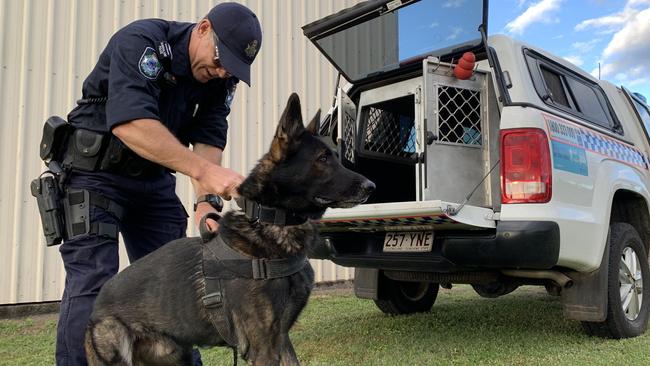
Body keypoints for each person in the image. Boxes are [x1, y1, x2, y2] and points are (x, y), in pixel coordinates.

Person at [49, 3, 262, 365]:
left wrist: (207, 202)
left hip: (152, 182)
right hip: (95, 176)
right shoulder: (143, 41)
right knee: (94, 285)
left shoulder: (220, 76)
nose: (223, 70)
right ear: (203, 28)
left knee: (173, 286)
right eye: (220, 57)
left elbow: (209, 135)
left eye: (232, 68)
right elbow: (130, 122)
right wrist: (202, 171)